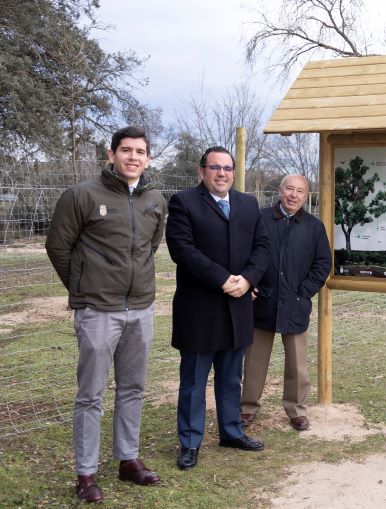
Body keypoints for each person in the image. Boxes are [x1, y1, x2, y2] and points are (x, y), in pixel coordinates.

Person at [45, 126, 166, 503]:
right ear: (111, 155)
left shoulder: (155, 199)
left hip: (141, 309)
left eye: (140, 152)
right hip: (98, 311)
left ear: (148, 159)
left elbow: (151, 246)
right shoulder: (81, 195)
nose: (133, 157)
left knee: (132, 389)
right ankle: (86, 472)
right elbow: (58, 247)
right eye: (126, 150)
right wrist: (83, 287)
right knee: (91, 395)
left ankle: (128, 459)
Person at [165, 146, 270, 471]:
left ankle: (231, 432)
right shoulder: (184, 202)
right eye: (215, 167)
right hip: (200, 310)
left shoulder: (248, 204)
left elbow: (262, 247)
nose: (221, 173)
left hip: (237, 307)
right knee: (194, 382)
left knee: (230, 379)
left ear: (234, 173)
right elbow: (182, 250)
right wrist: (223, 279)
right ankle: (191, 442)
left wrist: (249, 279)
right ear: (202, 171)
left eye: (227, 168)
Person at [241, 174, 331, 432]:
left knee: (297, 364)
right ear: (280, 191)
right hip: (262, 301)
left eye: (300, 191)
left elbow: (323, 263)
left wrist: (304, 292)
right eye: (289, 189)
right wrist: (250, 283)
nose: (294, 195)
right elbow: (244, 252)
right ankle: (247, 407)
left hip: (295, 304)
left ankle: (296, 410)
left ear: (306, 196)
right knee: (255, 360)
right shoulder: (259, 219)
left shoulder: (314, 227)